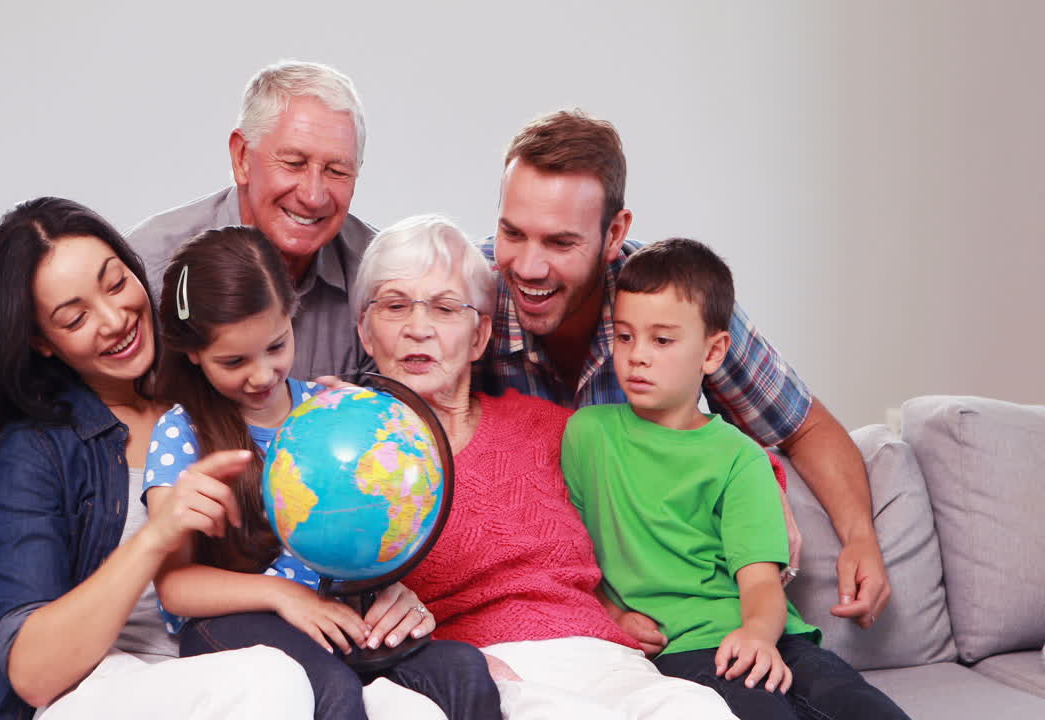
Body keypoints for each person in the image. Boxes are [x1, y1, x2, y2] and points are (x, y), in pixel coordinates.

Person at [477, 109, 891, 633]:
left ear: (614, 234)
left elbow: (804, 426)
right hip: (551, 603)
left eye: (561, 243)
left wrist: (859, 538)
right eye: (513, 233)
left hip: (687, 611)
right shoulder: (463, 300)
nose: (530, 267)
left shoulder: (671, 302)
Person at [0, 197, 315, 719]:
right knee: (271, 679)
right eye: (75, 317)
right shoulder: (38, 450)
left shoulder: (223, 392)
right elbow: (32, 674)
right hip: (96, 689)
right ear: (41, 342)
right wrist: (157, 537)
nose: (115, 319)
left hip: (217, 664)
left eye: (115, 283)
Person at [353, 215, 737, 719]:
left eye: (446, 308)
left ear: (479, 336)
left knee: (698, 708)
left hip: (606, 658)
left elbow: (673, 455)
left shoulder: (550, 428)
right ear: (364, 329)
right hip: (479, 672)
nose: (417, 328)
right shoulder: (350, 458)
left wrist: (765, 485)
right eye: (394, 305)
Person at [142, 225, 500, 720]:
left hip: (332, 614)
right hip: (232, 621)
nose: (263, 375)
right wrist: (283, 596)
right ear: (193, 354)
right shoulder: (181, 433)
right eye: (233, 361)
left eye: (276, 346)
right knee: (327, 689)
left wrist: (387, 588)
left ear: (293, 318)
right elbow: (175, 585)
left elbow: (378, 519)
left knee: (463, 668)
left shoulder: (328, 408)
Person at [561, 238, 909, 720]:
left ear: (713, 352)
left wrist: (758, 636)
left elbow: (762, 583)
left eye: (661, 340)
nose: (637, 355)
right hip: (683, 653)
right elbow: (573, 557)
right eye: (624, 336)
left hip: (773, 635)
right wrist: (615, 615)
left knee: (868, 709)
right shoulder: (586, 436)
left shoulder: (740, 458)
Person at [128, 60, 375, 382]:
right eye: (294, 163)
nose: (314, 196)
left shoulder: (380, 277)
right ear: (242, 157)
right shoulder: (149, 269)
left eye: (337, 171)